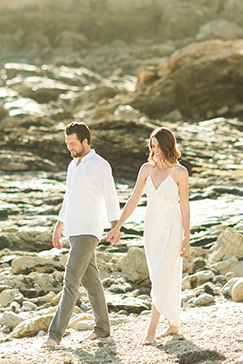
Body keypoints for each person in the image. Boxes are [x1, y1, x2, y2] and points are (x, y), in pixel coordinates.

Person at [106, 126, 191, 345]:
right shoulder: (146, 169)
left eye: (158, 146)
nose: (155, 150)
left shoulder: (180, 172)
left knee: (164, 274)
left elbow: (184, 206)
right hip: (152, 227)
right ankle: (173, 324)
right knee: (159, 275)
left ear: (167, 145)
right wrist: (117, 227)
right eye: (152, 146)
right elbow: (133, 200)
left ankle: (151, 331)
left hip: (173, 226)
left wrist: (187, 236)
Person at [41, 122, 121, 349]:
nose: (70, 148)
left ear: (86, 141)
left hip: (89, 229)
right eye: (67, 144)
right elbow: (69, 197)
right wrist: (59, 226)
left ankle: (54, 335)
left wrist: (116, 226)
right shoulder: (72, 165)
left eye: (73, 143)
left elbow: (110, 195)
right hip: (73, 230)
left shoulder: (99, 165)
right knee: (91, 281)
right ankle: (102, 329)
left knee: (70, 281)